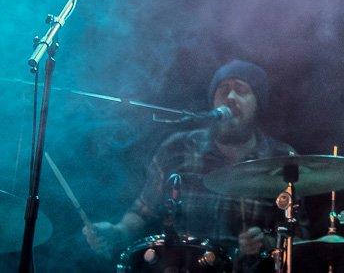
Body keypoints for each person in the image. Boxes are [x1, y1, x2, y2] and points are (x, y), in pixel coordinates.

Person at [84, 60, 297, 271]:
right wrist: (117, 231)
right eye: (223, 90)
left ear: (258, 102)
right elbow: (142, 211)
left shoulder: (281, 157)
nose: (230, 97)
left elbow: (300, 235)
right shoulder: (178, 148)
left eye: (241, 90)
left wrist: (267, 242)